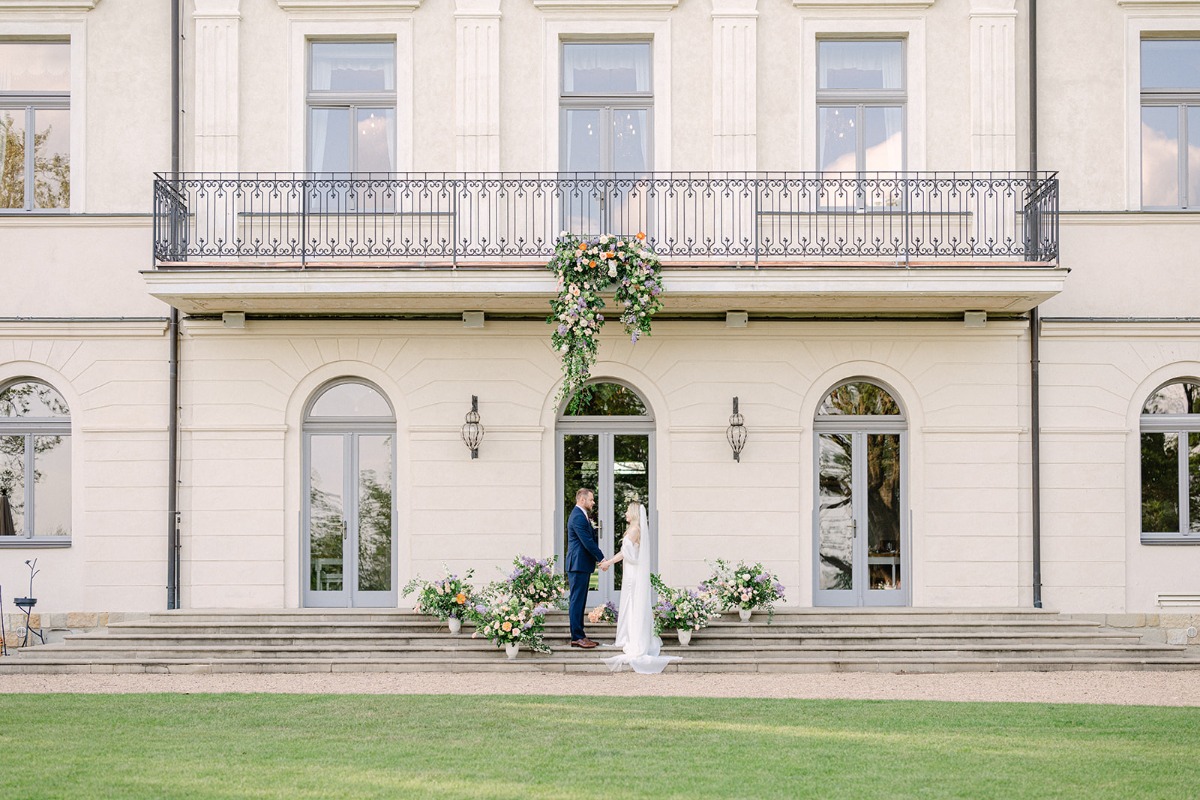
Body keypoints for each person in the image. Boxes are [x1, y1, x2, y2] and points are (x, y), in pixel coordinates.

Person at [599, 502, 681, 674]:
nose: (625, 513)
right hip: (631, 571)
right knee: (630, 603)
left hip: (633, 574)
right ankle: (630, 636)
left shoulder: (635, 530)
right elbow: (625, 552)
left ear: (634, 513)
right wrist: (608, 562)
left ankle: (634, 639)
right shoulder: (634, 530)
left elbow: (626, 554)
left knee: (632, 603)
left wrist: (608, 563)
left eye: (628, 511)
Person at [566, 487, 605, 649]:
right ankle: (577, 636)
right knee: (576, 600)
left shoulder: (582, 515)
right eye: (591, 499)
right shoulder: (577, 517)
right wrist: (601, 558)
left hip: (581, 564)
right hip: (578, 564)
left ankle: (580, 634)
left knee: (580, 601)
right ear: (582, 500)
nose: (593, 502)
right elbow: (587, 541)